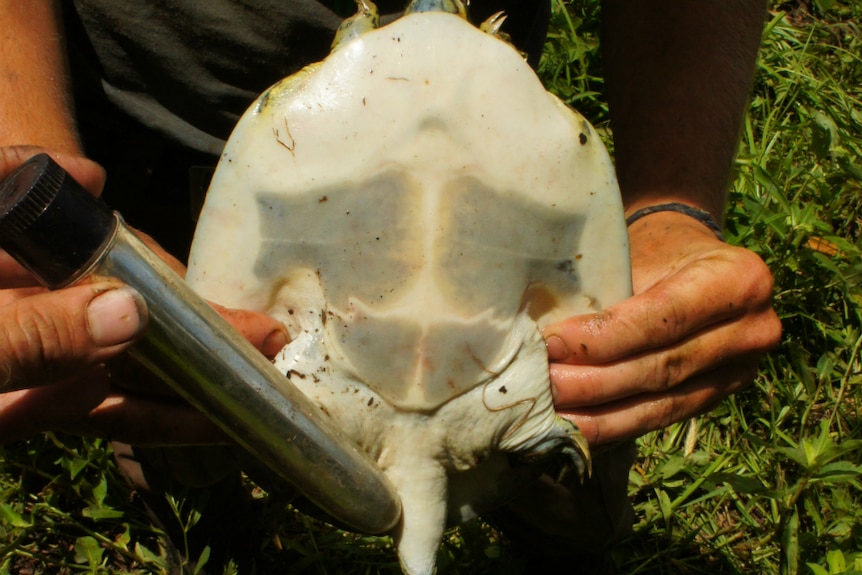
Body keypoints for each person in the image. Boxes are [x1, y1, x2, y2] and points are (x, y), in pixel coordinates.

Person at [0, 0, 781, 567]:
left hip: (430, 348)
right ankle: (196, 510)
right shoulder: (540, 128)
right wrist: (25, 170)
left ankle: (560, 516)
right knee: (171, 402)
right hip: (152, 154)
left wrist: (669, 206)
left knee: (596, 401)